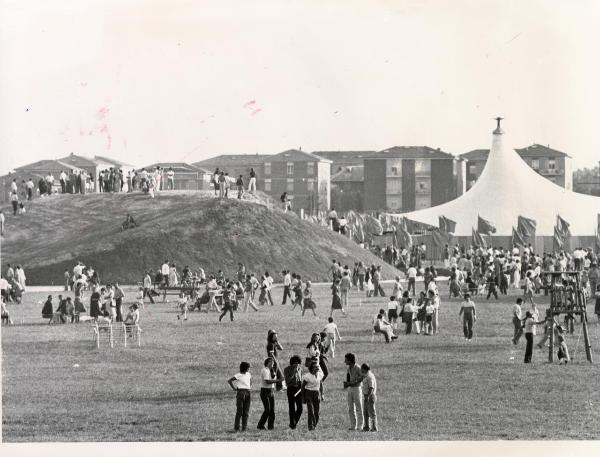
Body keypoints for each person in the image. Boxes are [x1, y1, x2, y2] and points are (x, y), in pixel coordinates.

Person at [227, 361, 252, 432]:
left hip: (247, 392)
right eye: (248, 367)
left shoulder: (249, 374)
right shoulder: (238, 375)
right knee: (240, 411)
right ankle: (237, 427)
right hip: (240, 392)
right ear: (245, 368)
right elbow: (230, 381)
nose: (249, 369)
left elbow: (250, 381)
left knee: (246, 411)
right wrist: (234, 388)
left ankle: (244, 428)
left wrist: (249, 386)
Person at [344, 353, 364, 431]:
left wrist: (354, 382)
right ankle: (353, 426)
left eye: (346, 360)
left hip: (357, 389)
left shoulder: (358, 368)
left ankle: (360, 426)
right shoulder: (348, 368)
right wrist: (347, 383)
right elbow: (348, 378)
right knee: (351, 408)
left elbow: (362, 377)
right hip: (350, 389)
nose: (345, 361)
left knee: (359, 408)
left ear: (350, 360)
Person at [302, 362, 323, 431]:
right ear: (311, 368)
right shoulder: (307, 376)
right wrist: (303, 397)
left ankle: (315, 424)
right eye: (315, 367)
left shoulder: (319, 374)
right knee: (310, 411)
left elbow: (321, 385)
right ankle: (310, 426)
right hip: (309, 393)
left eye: (317, 367)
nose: (317, 368)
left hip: (316, 394)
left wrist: (322, 394)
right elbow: (303, 387)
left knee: (316, 412)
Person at [283, 355, 303, 429]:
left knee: (300, 408)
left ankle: (294, 422)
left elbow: (301, 380)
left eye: (298, 363)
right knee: (292, 408)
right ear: (292, 363)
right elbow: (287, 381)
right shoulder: (286, 369)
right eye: (295, 363)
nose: (297, 364)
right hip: (291, 389)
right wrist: (294, 372)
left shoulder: (300, 369)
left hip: (298, 389)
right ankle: (292, 424)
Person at [257, 358, 278, 430]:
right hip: (265, 391)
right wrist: (277, 381)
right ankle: (260, 425)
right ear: (268, 362)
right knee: (267, 409)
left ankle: (271, 427)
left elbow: (273, 379)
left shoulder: (272, 370)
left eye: (273, 362)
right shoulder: (265, 370)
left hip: (271, 390)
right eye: (271, 362)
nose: (273, 363)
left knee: (272, 410)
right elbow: (267, 381)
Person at [360, 363, 377, 432]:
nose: (361, 370)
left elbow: (371, 388)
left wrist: (368, 396)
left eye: (362, 369)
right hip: (366, 396)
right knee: (366, 413)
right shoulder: (366, 375)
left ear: (364, 369)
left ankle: (374, 428)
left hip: (370, 396)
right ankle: (367, 427)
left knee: (372, 412)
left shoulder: (370, 376)